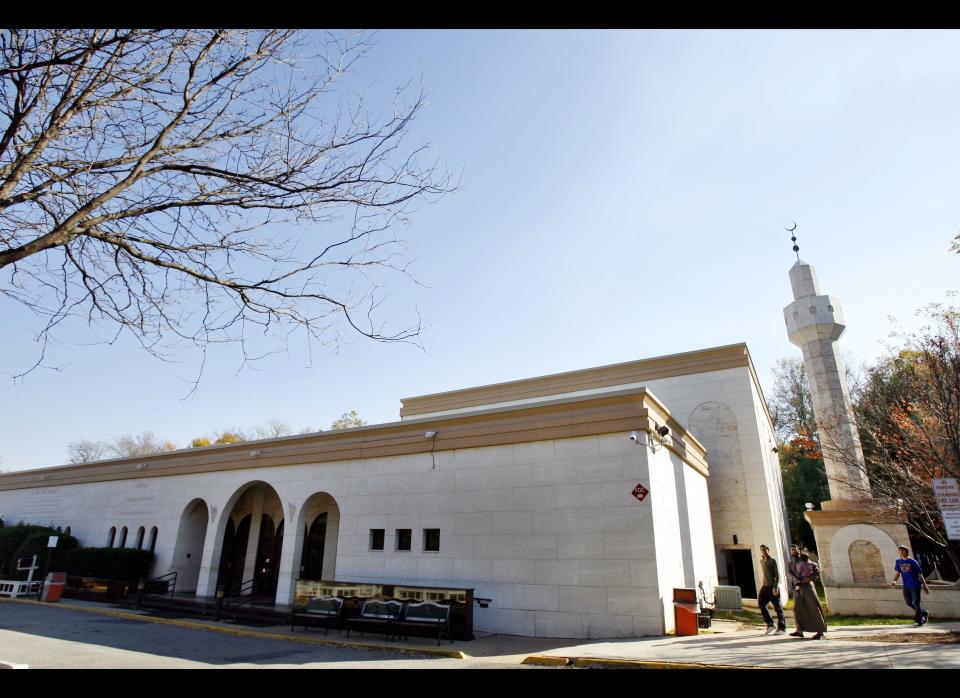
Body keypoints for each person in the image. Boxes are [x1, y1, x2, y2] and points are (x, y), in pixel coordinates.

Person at [789, 551, 827, 639]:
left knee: (813, 607)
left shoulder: (811, 564)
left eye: (795, 549)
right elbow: (791, 574)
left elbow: (817, 573)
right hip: (798, 587)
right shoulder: (792, 563)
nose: (793, 551)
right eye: (792, 549)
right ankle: (799, 631)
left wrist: (809, 579)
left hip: (808, 587)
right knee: (798, 608)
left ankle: (820, 631)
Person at [890, 545, 930, 626]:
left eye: (902, 550)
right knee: (908, 603)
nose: (901, 552)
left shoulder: (913, 562)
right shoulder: (898, 562)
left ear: (905, 551)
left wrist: (925, 586)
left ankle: (919, 621)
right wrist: (894, 581)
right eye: (900, 550)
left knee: (916, 603)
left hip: (915, 585)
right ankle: (924, 613)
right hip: (906, 586)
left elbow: (920, 574)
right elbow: (898, 573)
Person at [758, 544, 786, 635]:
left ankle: (782, 628)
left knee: (777, 608)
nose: (763, 551)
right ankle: (770, 624)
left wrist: (775, 587)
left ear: (768, 550)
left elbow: (777, 575)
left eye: (765, 549)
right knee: (761, 604)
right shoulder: (761, 561)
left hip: (772, 587)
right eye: (762, 550)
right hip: (764, 587)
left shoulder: (772, 561)